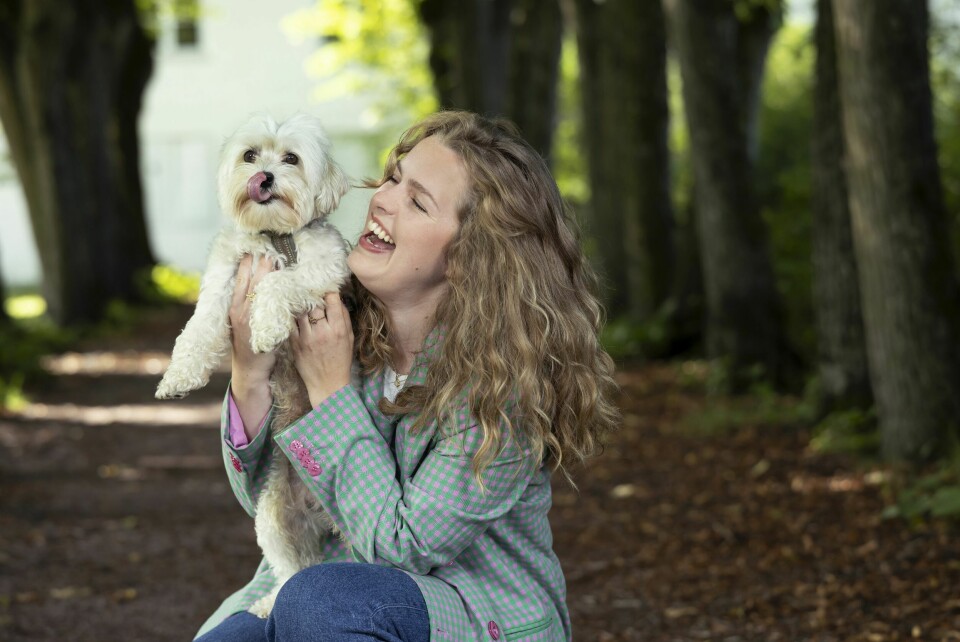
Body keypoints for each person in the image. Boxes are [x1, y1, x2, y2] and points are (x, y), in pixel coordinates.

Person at [194, 110, 620, 641]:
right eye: (394, 177)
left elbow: (402, 547)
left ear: (469, 257)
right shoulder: (337, 325)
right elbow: (269, 498)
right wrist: (250, 377)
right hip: (324, 597)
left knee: (323, 599)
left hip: (471, 613)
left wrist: (330, 394)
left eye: (417, 202)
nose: (383, 200)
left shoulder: (501, 392)